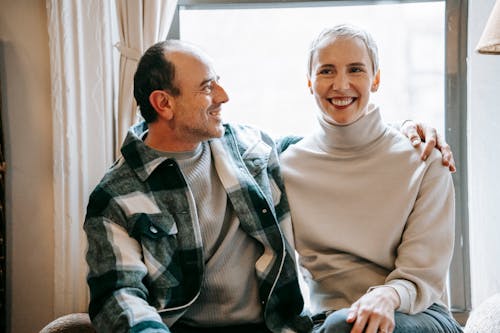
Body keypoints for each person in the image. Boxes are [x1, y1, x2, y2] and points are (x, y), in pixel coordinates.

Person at [84, 39, 455, 333]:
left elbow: (347, 143)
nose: (225, 97)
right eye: (208, 88)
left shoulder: (250, 149)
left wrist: (412, 127)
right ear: (163, 103)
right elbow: (119, 296)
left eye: (356, 69)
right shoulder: (115, 196)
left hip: (280, 325)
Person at [280, 24, 463, 333]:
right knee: (340, 324)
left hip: (417, 312)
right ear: (309, 82)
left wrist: (386, 296)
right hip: (327, 320)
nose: (341, 84)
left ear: (376, 79)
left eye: (356, 70)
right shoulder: (286, 166)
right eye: (326, 71)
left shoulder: (425, 159)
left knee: (347, 325)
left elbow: (424, 272)